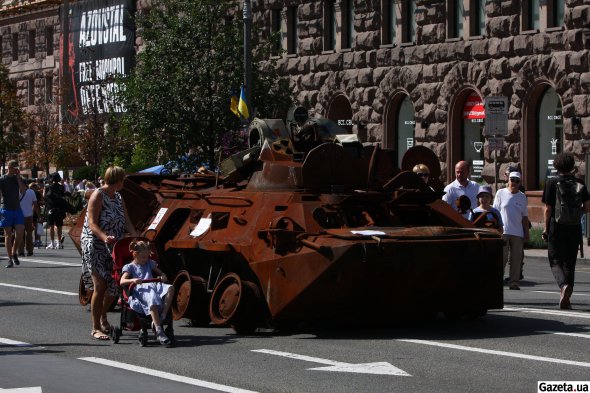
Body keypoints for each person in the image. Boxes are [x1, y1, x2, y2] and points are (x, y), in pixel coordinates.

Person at [81, 166, 138, 340]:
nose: (124, 182)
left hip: (115, 245)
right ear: (118, 180)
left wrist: (136, 237)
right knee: (101, 285)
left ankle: (102, 315)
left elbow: (126, 220)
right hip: (95, 244)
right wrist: (105, 237)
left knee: (114, 288)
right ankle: (95, 327)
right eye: (123, 179)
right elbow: (92, 223)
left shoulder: (119, 197)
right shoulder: (98, 195)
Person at [541, 152, 590, 309]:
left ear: (556, 166)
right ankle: (567, 296)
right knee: (570, 262)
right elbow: (588, 207)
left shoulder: (551, 182)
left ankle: (563, 287)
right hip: (574, 228)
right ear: (572, 166)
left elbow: (548, 209)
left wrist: (545, 228)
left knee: (555, 259)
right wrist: (575, 213)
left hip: (556, 227)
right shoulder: (579, 183)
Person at [119, 239, 174, 345]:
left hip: (152, 285)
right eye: (143, 257)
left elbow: (160, 273)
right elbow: (122, 281)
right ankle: (159, 331)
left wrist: (163, 276)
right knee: (152, 297)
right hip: (141, 288)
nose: (145, 259)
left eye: (147, 256)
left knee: (170, 288)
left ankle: (162, 315)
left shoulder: (149, 263)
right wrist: (133, 280)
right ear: (135, 254)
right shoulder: (130, 267)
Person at [493, 172, 530, 290]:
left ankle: (514, 282)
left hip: (517, 232)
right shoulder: (500, 193)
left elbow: (524, 217)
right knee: (502, 258)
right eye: (512, 180)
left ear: (520, 183)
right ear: (508, 180)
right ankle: (497, 280)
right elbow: (495, 212)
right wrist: (495, 230)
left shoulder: (522, 196)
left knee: (516, 259)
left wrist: (526, 233)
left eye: (517, 181)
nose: (514, 183)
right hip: (503, 231)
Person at [0, 160, 27, 268]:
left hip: (17, 209)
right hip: (6, 209)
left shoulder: (18, 178)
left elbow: (22, 190)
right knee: (8, 234)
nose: (16, 169)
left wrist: (18, 177)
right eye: (14, 167)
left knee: (20, 232)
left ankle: (14, 252)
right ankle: (10, 258)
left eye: (17, 167)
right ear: (9, 167)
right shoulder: (2, 179)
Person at [44, 172, 66, 249]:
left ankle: (52, 242)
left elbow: (45, 197)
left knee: (51, 226)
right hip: (59, 208)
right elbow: (63, 196)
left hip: (51, 208)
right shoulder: (61, 187)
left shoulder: (48, 187)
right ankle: (59, 242)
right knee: (59, 226)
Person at [18, 183, 39, 257]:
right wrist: (38, 215)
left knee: (19, 234)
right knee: (29, 234)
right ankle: (30, 250)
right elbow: (35, 204)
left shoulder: (17, 191)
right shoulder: (31, 192)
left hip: (19, 215)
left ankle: (21, 251)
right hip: (29, 215)